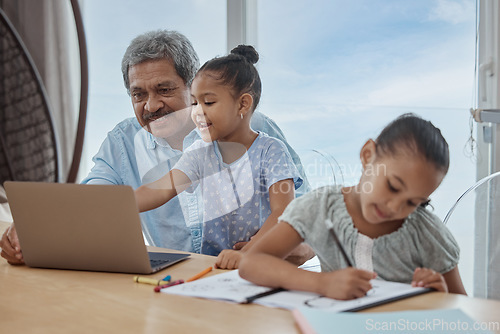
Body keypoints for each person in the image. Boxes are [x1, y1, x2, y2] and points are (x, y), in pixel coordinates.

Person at [0, 29, 312, 265]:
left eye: (164, 89)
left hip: (256, 277)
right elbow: (102, 200)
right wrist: (39, 229)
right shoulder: (122, 142)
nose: (151, 105)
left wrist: (271, 248)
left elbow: (305, 222)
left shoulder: (257, 132)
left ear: (194, 86)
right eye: (138, 94)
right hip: (176, 286)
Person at [239, 113, 467, 300]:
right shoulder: (320, 207)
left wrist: (441, 299)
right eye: (393, 186)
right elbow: (252, 263)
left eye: (414, 203)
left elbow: (465, 308)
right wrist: (322, 283)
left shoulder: (427, 233)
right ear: (368, 155)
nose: (395, 207)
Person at [136, 45, 302, 269]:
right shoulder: (199, 153)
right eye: (194, 103)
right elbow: (159, 189)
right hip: (217, 264)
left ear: (243, 104)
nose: (197, 112)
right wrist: (116, 204)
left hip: (264, 262)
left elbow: (283, 211)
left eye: (209, 103)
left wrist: (253, 250)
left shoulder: (270, 150)